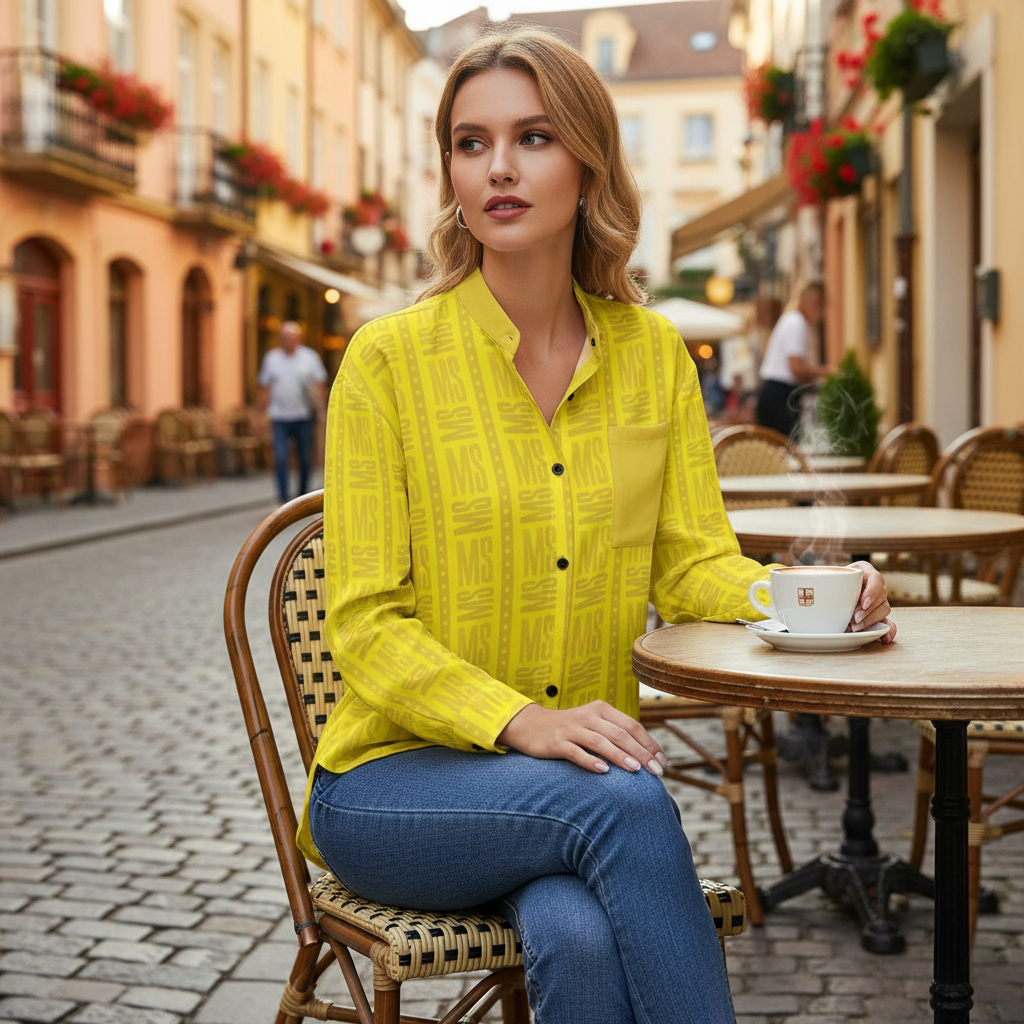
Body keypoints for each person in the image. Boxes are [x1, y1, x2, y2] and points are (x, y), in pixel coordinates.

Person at [299, 27, 896, 1024]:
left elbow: (693, 563)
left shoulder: (653, 355)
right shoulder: (386, 362)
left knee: (576, 936)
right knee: (624, 803)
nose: (497, 166)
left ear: (587, 162)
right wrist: (519, 721)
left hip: (562, 797)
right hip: (395, 784)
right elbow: (363, 625)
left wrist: (801, 596)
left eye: (532, 136)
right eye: (469, 141)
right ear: (447, 167)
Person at [256, 320, 327, 504]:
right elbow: (264, 388)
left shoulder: (309, 358)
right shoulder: (272, 359)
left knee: (305, 458)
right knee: (280, 457)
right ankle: (283, 499)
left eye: (292, 338)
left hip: (303, 416)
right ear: (280, 339)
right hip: (279, 416)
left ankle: (302, 495)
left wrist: (321, 411)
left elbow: (319, 385)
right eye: (285, 338)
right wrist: (259, 414)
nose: (289, 342)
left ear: (299, 339)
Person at [756, 281, 833, 440]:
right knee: (784, 452)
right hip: (779, 395)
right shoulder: (796, 323)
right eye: (819, 304)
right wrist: (828, 372)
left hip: (777, 393)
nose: (821, 312)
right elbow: (796, 367)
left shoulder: (792, 320)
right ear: (807, 301)